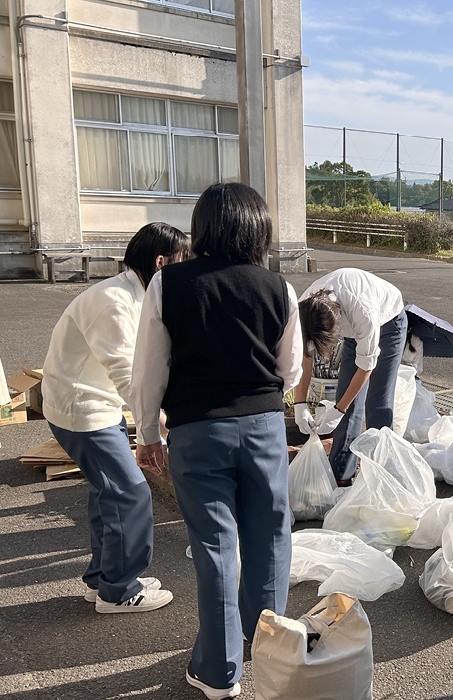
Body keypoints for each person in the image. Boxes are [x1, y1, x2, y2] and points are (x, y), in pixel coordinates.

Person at [131, 183, 303, 699]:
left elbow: (149, 370)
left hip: (196, 429)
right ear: (259, 228)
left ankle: (218, 673)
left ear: (202, 226)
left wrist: (145, 434)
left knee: (214, 547)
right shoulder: (279, 287)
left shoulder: (168, 284)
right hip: (265, 427)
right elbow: (289, 371)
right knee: (271, 537)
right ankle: (269, 649)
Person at [41, 222, 189, 614]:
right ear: (161, 262)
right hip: (83, 412)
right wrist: (152, 427)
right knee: (131, 493)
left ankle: (102, 578)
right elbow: (127, 372)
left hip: (92, 405)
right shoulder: (112, 301)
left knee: (107, 493)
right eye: (180, 261)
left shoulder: (135, 293)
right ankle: (120, 591)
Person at [293, 268, 407, 486]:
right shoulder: (306, 307)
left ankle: (380, 478)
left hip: (388, 323)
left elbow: (366, 367)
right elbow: (306, 356)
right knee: (347, 402)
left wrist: (338, 410)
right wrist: (300, 403)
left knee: (378, 404)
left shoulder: (361, 310)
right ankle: (340, 479)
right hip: (354, 331)